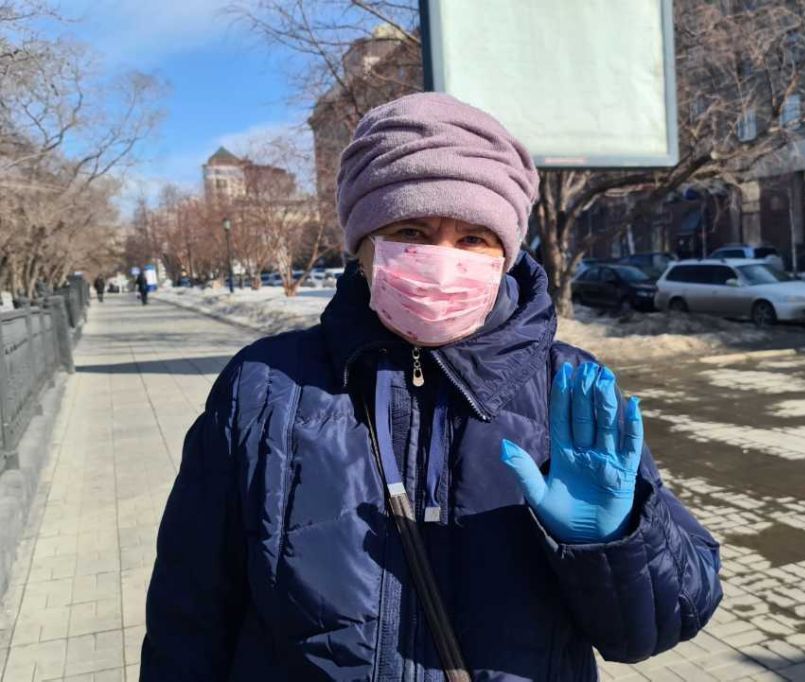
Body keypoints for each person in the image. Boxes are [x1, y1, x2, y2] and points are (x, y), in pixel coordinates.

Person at [141, 93, 722, 681]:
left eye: (473, 239)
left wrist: (616, 542)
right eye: (411, 230)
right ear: (361, 246)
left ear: (506, 254)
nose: (442, 261)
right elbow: (188, 618)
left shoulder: (567, 389)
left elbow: (661, 624)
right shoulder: (264, 390)